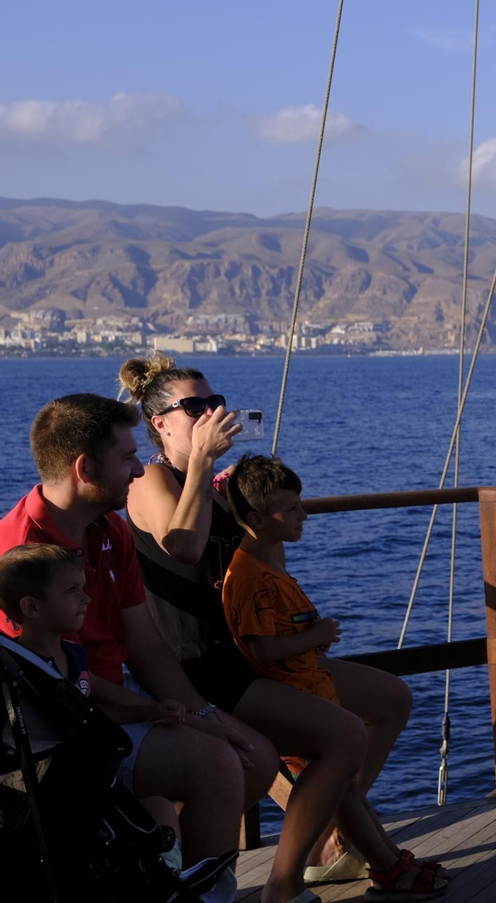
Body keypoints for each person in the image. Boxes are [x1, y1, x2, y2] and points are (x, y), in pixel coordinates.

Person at [118, 353, 406, 885]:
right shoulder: (150, 482)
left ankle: (326, 830)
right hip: (202, 666)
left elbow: (263, 565)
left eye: (216, 402)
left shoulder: (223, 489)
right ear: (160, 424)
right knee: (339, 736)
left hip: (254, 650)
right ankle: (292, 876)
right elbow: (182, 546)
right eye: (195, 406)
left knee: (390, 700)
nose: (211, 412)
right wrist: (202, 469)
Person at [0, 394, 277, 898]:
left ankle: (170, 879)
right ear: (85, 468)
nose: (137, 471)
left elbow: (147, 648)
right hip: (69, 733)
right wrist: (151, 711)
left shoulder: (113, 534)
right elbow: (47, 684)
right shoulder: (19, 555)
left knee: (254, 756)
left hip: (118, 713)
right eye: (128, 458)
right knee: (215, 766)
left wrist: (205, 715)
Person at [222, 454, 448, 903]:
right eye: (292, 510)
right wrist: (316, 636)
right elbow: (262, 649)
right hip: (293, 690)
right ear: (256, 519)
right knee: (339, 772)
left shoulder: (265, 562)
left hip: (308, 682)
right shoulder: (251, 577)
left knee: (345, 776)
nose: (304, 515)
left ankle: (385, 863)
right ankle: (384, 867)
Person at [0, 542, 189, 871]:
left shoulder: (73, 657)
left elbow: (87, 715)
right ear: (31, 607)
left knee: (159, 804)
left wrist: (148, 712)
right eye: (73, 590)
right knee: (158, 808)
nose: (86, 599)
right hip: (63, 796)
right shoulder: (19, 673)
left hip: (86, 784)